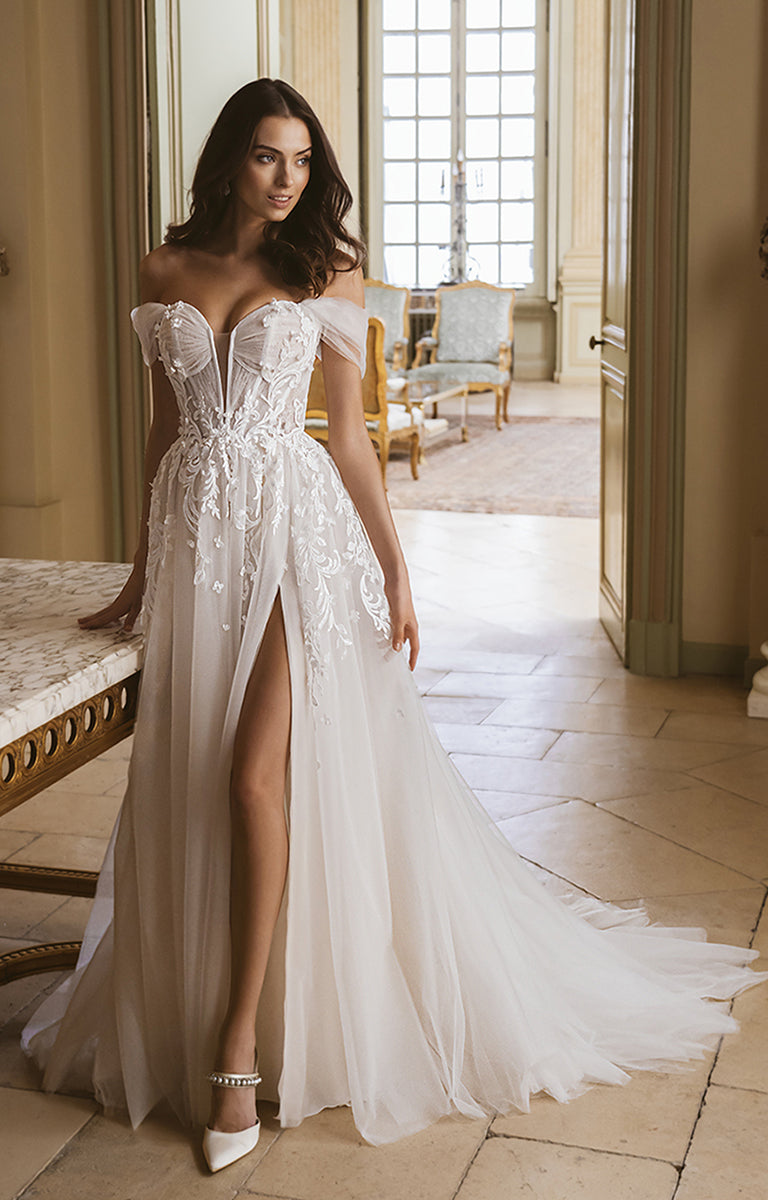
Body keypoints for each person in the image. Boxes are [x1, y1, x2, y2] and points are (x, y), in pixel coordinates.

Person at [21, 78, 767, 1174]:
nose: (288, 178)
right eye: (270, 157)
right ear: (230, 159)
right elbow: (164, 433)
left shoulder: (324, 271)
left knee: (250, 781)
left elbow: (351, 439)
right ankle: (223, 1005)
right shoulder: (162, 270)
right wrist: (142, 573)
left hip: (296, 544)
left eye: (303, 160)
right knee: (187, 779)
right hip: (197, 553)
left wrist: (397, 574)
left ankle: (234, 1052)